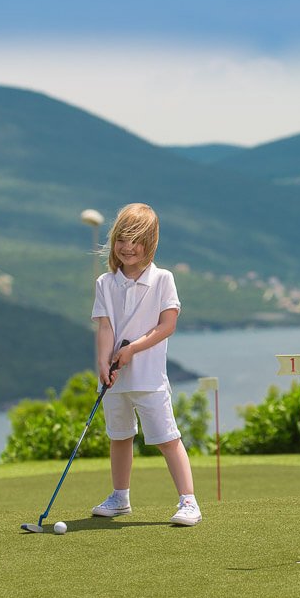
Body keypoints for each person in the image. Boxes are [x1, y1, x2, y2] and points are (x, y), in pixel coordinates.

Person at [89, 203, 202, 526]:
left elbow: (167, 325)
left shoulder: (163, 279)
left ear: (149, 243)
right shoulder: (105, 283)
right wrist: (102, 362)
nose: (127, 247)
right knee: (120, 436)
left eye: (136, 239)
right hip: (115, 379)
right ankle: (120, 497)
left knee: (167, 437)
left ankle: (188, 501)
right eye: (122, 239)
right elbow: (106, 327)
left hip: (149, 377)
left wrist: (133, 349)